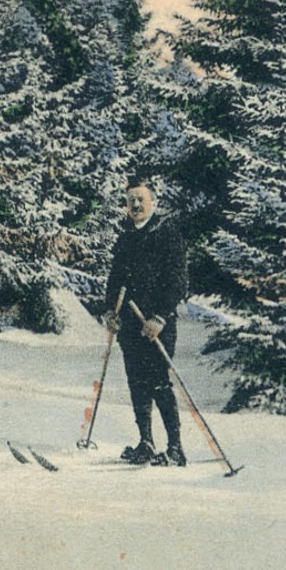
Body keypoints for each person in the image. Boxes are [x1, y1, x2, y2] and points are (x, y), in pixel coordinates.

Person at [95, 178, 188, 466]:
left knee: (159, 382)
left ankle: (175, 448)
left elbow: (178, 281)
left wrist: (160, 317)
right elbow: (115, 280)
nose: (135, 205)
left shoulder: (167, 233)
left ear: (153, 202)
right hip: (130, 325)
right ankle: (145, 442)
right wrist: (109, 311)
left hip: (157, 325)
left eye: (141, 199)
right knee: (137, 382)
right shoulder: (125, 237)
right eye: (131, 200)